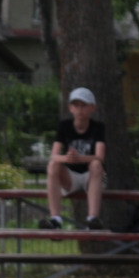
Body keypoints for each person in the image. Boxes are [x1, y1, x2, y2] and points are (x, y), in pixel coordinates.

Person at [41, 87, 107, 230]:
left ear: (92, 108)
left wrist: (79, 158)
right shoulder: (64, 126)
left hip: (92, 178)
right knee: (53, 165)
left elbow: (100, 156)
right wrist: (67, 158)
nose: (80, 109)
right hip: (70, 178)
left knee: (95, 165)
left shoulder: (98, 127)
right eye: (76, 105)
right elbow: (54, 155)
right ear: (70, 108)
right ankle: (56, 219)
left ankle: (93, 219)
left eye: (84, 105)